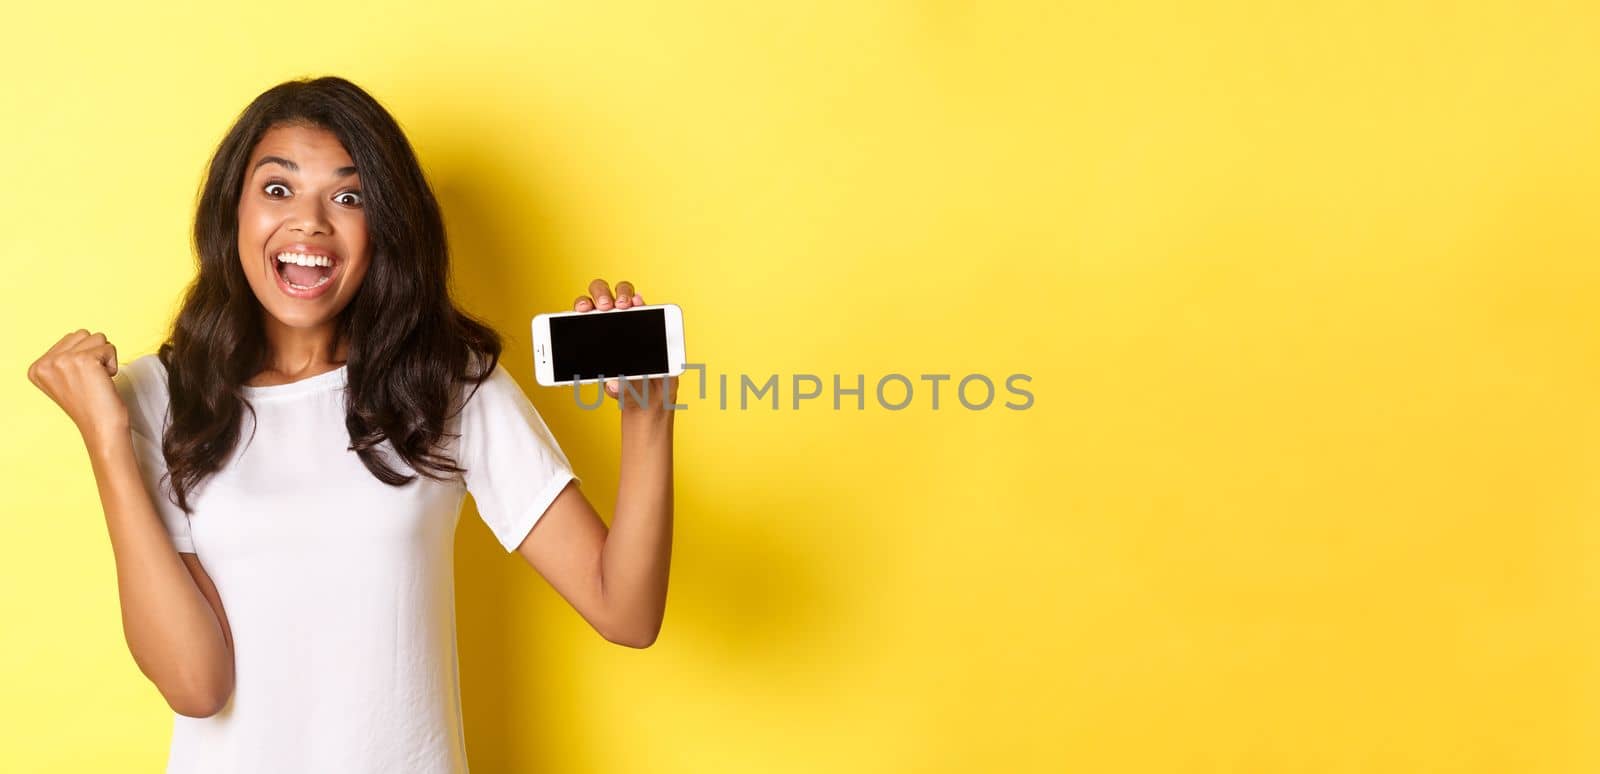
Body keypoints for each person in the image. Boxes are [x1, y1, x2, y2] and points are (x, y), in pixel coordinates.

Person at [24, 76, 678, 773]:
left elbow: (626, 612)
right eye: (279, 189)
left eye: (348, 196)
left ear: (384, 229)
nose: (310, 222)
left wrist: (649, 415)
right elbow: (196, 685)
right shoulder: (160, 398)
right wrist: (104, 437)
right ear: (232, 213)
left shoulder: (444, 383)